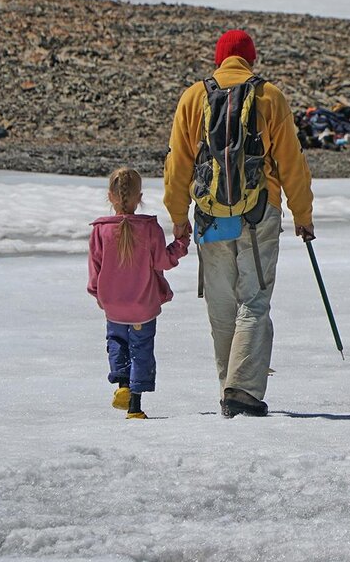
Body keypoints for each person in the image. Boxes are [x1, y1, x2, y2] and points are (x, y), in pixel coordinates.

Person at [163, 29, 315, 418]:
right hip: (258, 212)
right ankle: (242, 390)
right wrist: (303, 215)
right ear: (251, 59)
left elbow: (177, 163)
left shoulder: (194, 97)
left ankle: (227, 386)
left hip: (211, 216)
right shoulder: (269, 96)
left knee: (221, 302)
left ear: (219, 59)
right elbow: (292, 162)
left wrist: (178, 216)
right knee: (254, 298)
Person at [87, 167, 189, 420]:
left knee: (117, 342)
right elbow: (163, 261)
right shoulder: (149, 228)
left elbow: (94, 267)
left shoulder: (101, 230)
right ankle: (135, 405)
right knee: (141, 348)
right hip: (143, 304)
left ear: (110, 196)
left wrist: (98, 294)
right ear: (139, 197)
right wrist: (181, 243)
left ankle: (122, 384)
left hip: (113, 303)